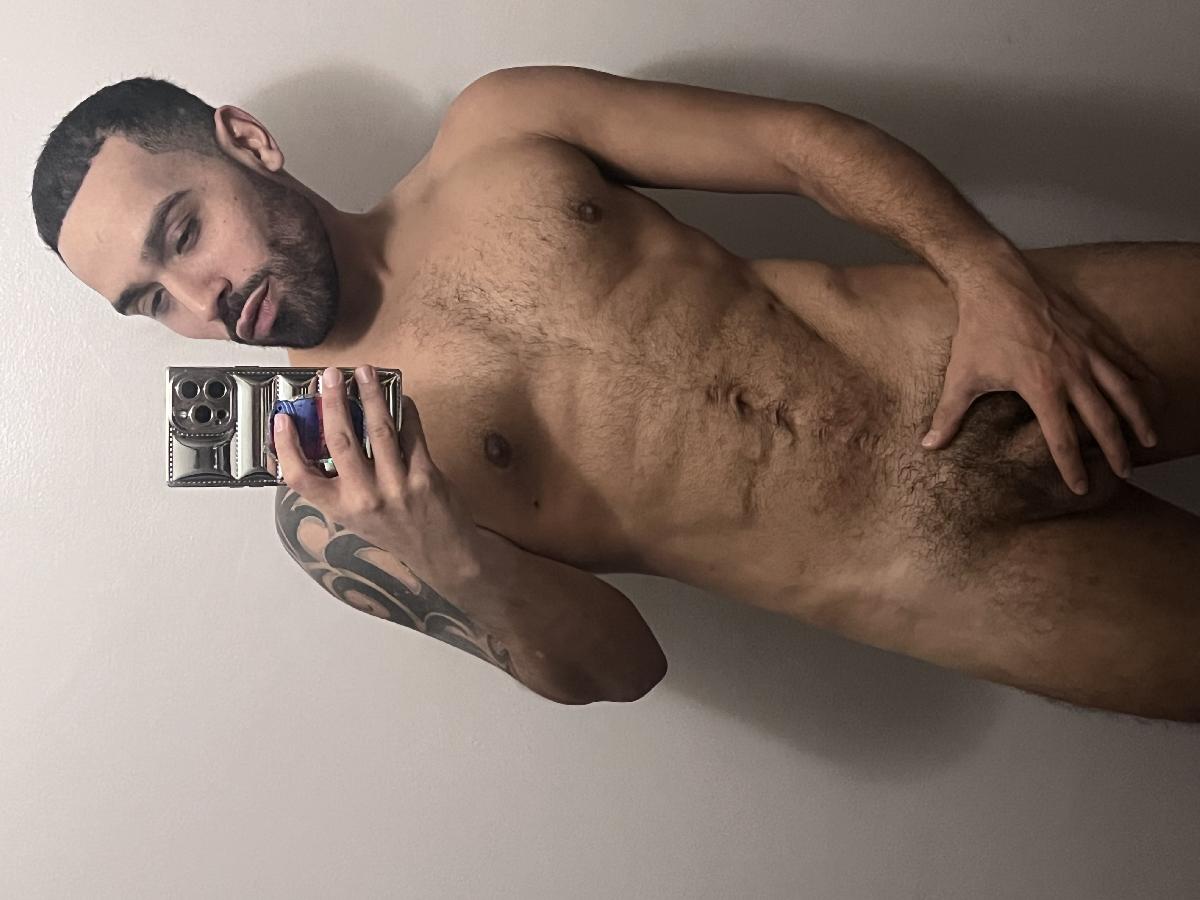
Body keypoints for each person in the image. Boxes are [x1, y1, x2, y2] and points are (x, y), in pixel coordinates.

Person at [32, 66, 1200, 720]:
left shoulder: (501, 132)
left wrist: (989, 275)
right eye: (150, 301)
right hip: (948, 579)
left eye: (182, 232)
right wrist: (443, 548)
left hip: (984, 339)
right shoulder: (334, 511)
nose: (198, 297)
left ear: (246, 141)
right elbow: (619, 671)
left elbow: (796, 142)